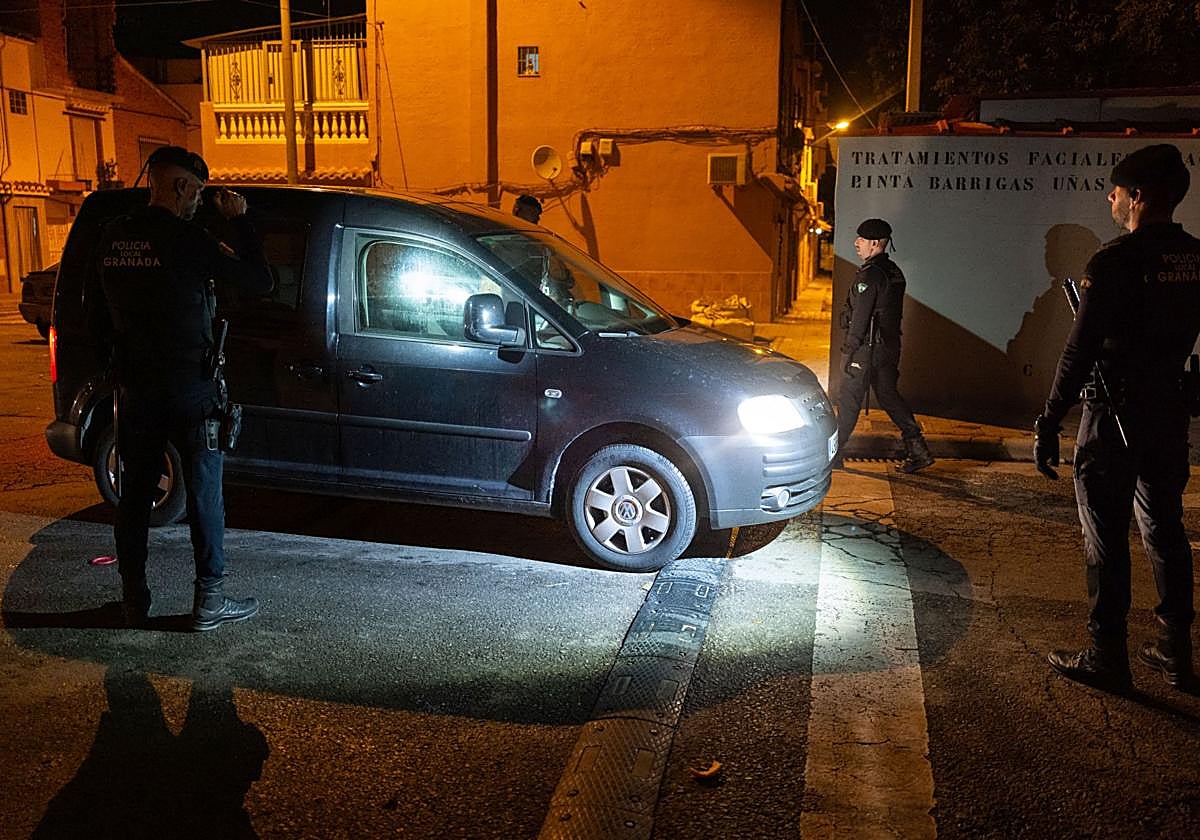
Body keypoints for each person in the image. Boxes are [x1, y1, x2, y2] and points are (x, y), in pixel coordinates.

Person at [1037, 143, 1200, 692]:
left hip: (1113, 412)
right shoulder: (1194, 257)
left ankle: (1108, 653)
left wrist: (1049, 419)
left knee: (1105, 533)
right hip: (1169, 409)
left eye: (1117, 189)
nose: (1109, 196)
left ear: (1139, 198)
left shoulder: (1113, 261)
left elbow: (1078, 351)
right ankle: (1175, 649)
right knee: (1164, 526)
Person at [95, 146, 273, 631]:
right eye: (195, 190)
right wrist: (240, 222)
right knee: (203, 494)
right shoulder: (189, 240)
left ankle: (134, 600)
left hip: (137, 391)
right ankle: (209, 602)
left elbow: (96, 313)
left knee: (134, 498)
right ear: (180, 186)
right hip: (192, 390)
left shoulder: (114, 237)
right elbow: (260, 281)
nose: (198, 200)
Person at [835, 218, 934, 473]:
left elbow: (861, 316)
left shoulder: (870, 274)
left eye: (862, 239)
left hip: (868, 348)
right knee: (889, 396)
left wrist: (849, 349)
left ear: (876, 243)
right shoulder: (893, 271)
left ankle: (833, 453)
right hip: (889, 346)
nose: (856, 243)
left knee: (849, 400)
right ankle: (918, 448)